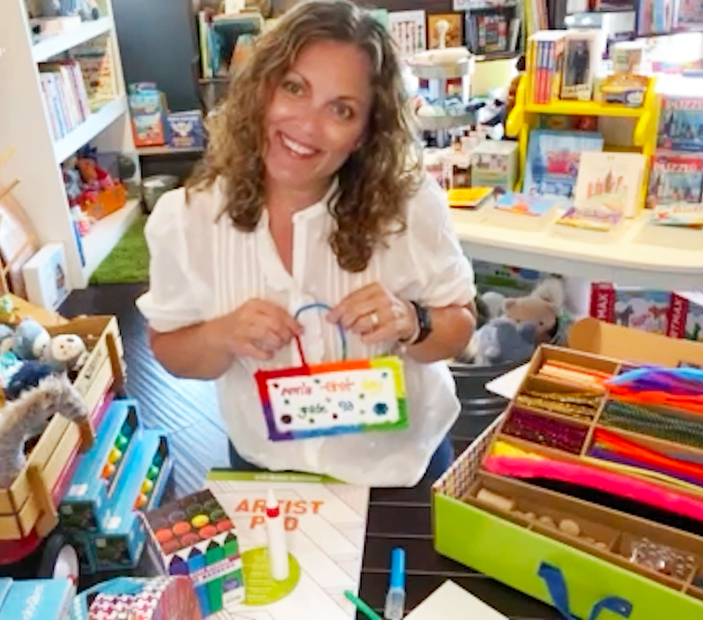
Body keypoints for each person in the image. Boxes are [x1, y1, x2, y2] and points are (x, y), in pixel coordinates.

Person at [138, 0, 476, 487]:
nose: (307, 126)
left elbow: (460, 325)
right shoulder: (187, 218)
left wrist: (412, 320)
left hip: (403, 472)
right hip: (267, 471)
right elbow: (169, 347)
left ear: (365, 133)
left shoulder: (410, 207)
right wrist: (222, 334)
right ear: (261, 90)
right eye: (294, 88)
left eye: (342, 109)